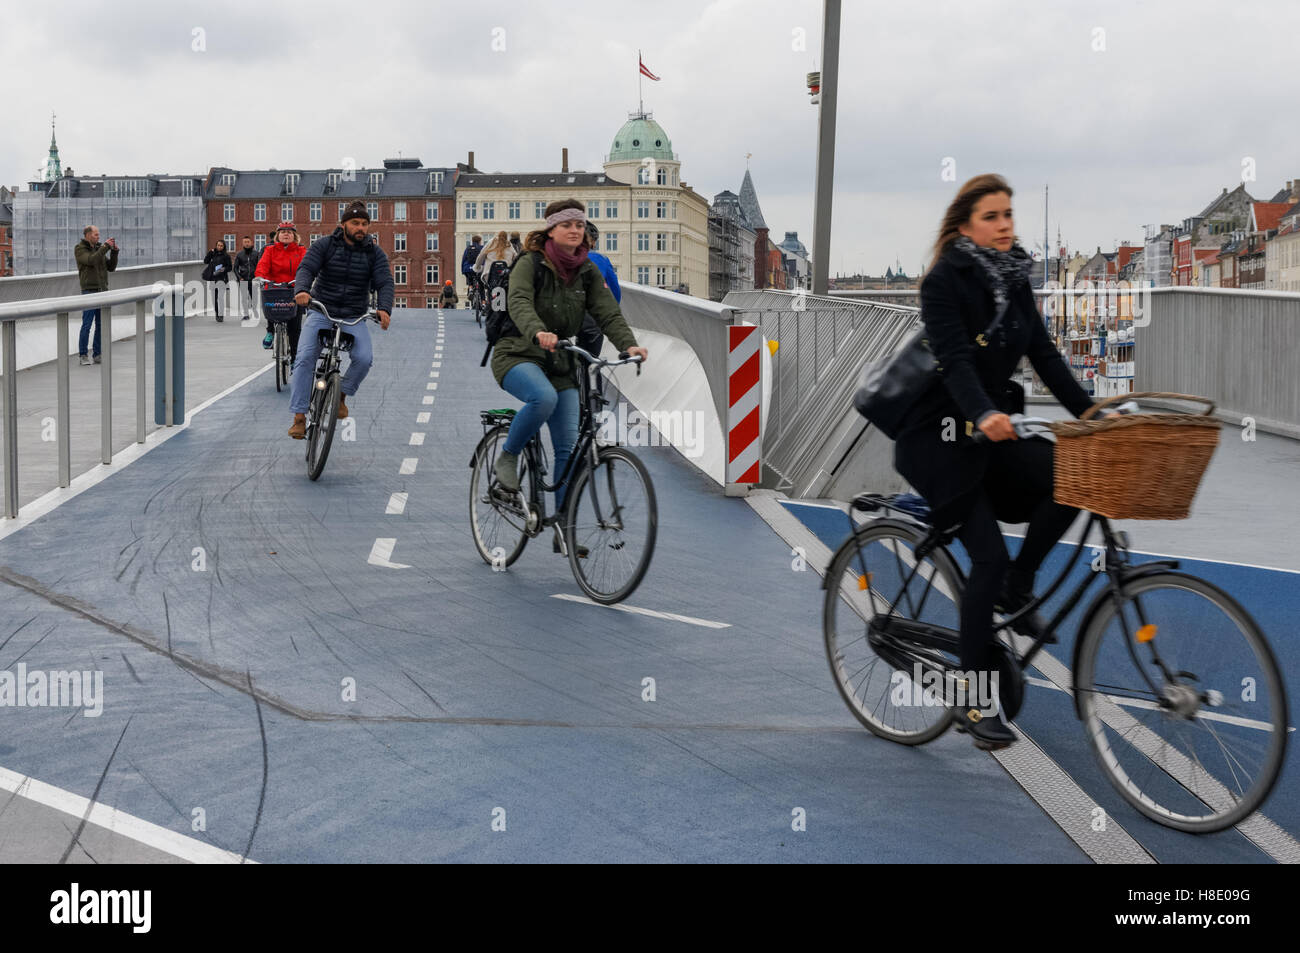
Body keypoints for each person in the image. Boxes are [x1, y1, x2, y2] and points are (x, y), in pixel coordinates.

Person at [893, 174, 1099, 750]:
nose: (1005, 224)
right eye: (992, 216)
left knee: (1073, 476)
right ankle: (976, 698)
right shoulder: (943, 282)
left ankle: (1020, 582)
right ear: (965, 226)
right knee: (984, 557)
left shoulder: (1014, 281)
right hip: (936, 438)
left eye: (1009, 214)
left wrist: (1092, 415)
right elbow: (956, 362)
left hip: (985, 431)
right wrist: (983, 413)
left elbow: (1045, 356)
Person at [491, 199, 648, 554]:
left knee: (567, 449)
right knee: (542, 398)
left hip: (561, 362)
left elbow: (607, 312)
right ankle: (508, 455)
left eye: (579, 225)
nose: (575, 230)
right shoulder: (530, 264)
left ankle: (565, 528)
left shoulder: (587, 271)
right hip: (518, 353)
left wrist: (629, 345)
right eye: (567, 225)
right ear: (551, 229)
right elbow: (519, 302)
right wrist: (537, 331)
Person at [287, 201, 393, 439]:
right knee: (304, 358)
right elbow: (307, 268)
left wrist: (384, 308)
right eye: (355, 223)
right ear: (343, 224)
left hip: (354, 316)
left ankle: (342, 395)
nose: (361, 228)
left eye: (365, 224)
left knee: (364, 359)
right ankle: (299, 416)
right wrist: (302, 291)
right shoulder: (325, 245)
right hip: (321, 311)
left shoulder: (374, 253)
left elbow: (385, 282)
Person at [255, 221, 306, 362]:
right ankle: (270, 331)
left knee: (295, 328)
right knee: (270, 305)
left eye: (289, 232)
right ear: (278, 235)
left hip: (293, 288)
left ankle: (295, 360)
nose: (286, 234)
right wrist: (260, 276)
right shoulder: (270, 250)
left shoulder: (301, 251)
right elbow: (263, 265)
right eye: (283, 232)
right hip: (274, 286)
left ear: (294, 236)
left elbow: (306, 267)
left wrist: (305, 281)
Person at [74, 225, 118, 365]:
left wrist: (114, 252)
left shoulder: (99, 248)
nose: (98, 237)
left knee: (100, 324)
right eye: (95, 235)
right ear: (87, 235)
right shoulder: (80, 249)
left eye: (98, 235)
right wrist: (104, 247)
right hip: (89, 290)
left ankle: (97, 354)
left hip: (102, 290)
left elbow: (111, 267)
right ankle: (83, 355)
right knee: (87, 324)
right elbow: (91, 260)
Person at [578, 220, 620, 356]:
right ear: (592, 242)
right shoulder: (601, 260)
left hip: (560, 321)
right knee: (591, 361)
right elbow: (615, 291)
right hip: (591, 320)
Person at [203, 240, 232, 322]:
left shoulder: (226, 256)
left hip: (222, 279)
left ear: (224, 247)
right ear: (216, 246)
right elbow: (205, 261)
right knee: (214, 298)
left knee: (220, 298)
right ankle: (217, 314)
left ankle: (221, 314)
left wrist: (223, 269)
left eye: (221, 246)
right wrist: (209, 253)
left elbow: (230, 268)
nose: (219, 247)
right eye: (218, 245)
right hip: (213, 278)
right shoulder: (213, 254)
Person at [234, 236, 262, 320]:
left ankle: (254, 311)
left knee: (254, 297)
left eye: (248, 242)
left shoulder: (257, 254)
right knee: (244, 298)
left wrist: (258, 276)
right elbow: (235, 268)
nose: (246, 243)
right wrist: (239, 277)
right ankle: (246, 314)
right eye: (245, 242)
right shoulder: (239, 254)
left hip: (254, 279)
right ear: (243, 243)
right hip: (243, 279)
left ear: (251, 243)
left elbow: (260, 266)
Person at [461, 233, 483, 303]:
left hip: (468, 268)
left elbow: (463, 259)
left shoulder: (468, 248)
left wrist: (463, 271)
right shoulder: (481, 248)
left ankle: (470, 288)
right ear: (480, 241)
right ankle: (483, 302)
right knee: (481, 285)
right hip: (478, 268)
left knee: (469, 277)